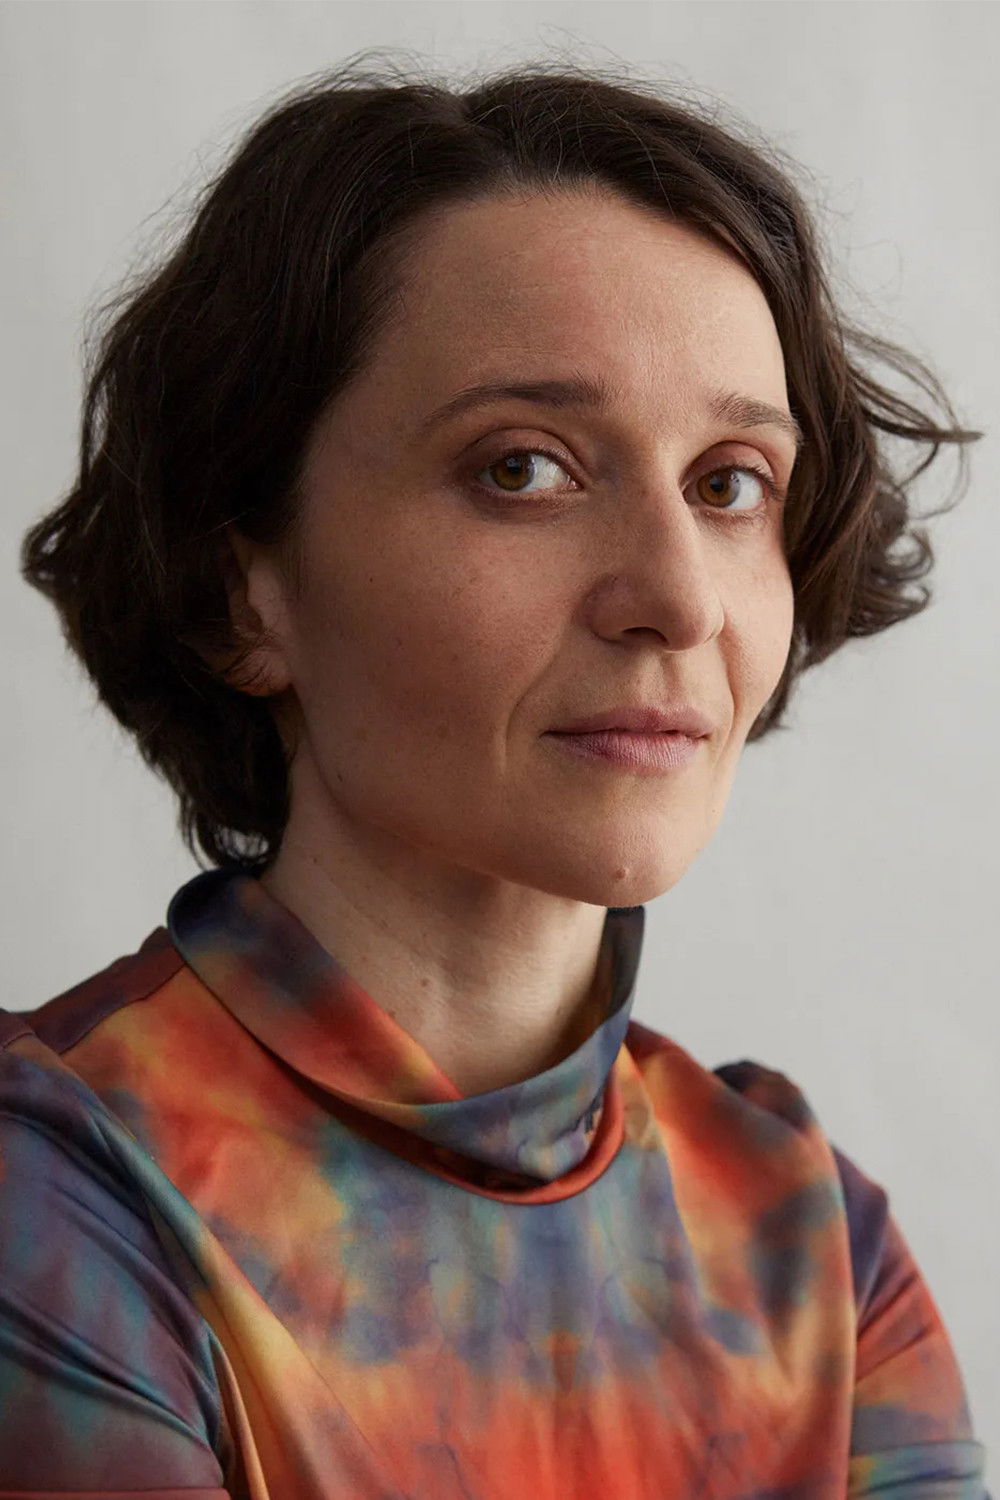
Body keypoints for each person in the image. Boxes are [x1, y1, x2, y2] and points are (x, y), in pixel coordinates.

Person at [2, 51, 989, 1499]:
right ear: (241, 593)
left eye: (729, 483)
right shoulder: (53, 1188)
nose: (679, 597)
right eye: (523, 468)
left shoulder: (816, 1248)